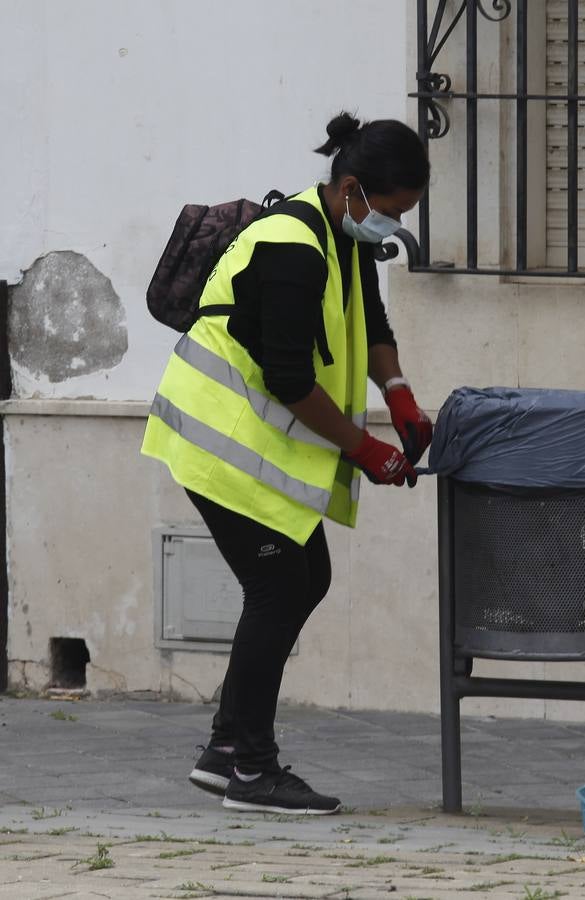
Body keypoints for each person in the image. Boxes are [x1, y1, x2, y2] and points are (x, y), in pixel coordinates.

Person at [141, 112, 432, 815]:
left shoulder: (340, 236)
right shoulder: (290, 246)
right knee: (279, 586)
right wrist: (366, 452)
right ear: (353, 188)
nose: (390, 227)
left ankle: (225, 752)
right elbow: (288, 379)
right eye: (389, 211)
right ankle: (252, 772)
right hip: (217, 439)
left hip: (251, 444)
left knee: (306, 578)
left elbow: (371, 322)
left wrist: (403, 404)